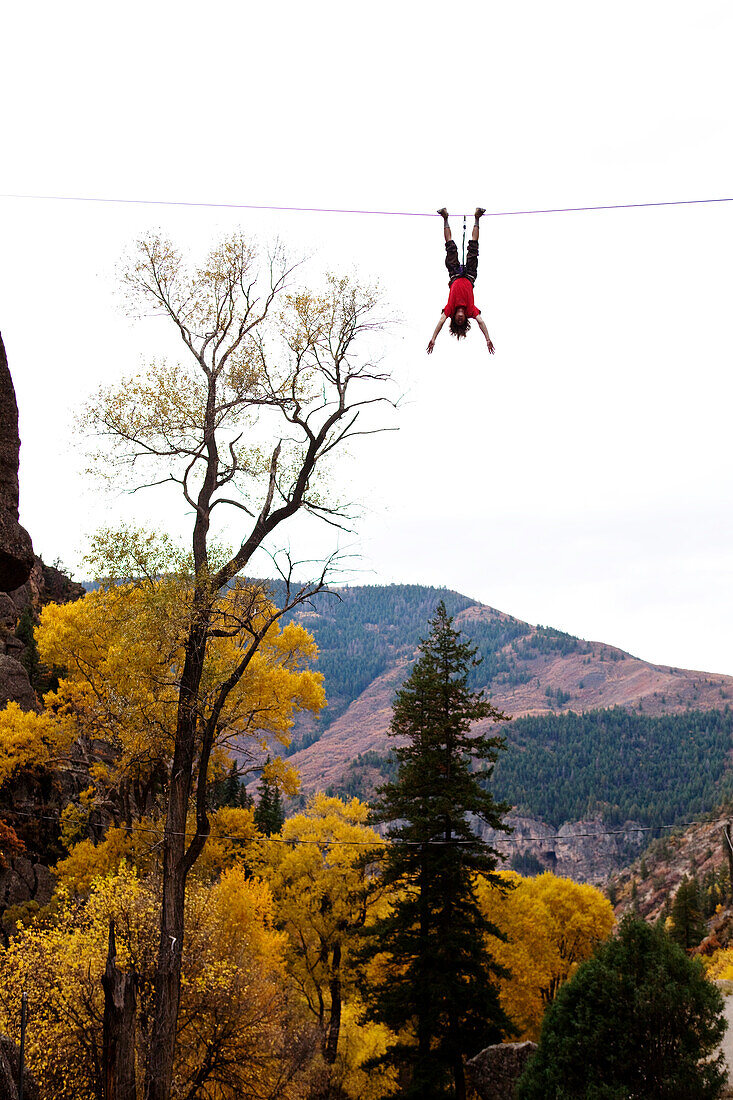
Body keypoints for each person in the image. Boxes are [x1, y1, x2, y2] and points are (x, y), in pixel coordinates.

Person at [426, 207, 495, 355]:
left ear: (454, 318)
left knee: (451, 248)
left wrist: (433, 339)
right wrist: (488, 339)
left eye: (457, 320)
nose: (460, 318)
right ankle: (477, 217)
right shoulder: (471, 311)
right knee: (473, 249)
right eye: (461, 321)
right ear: (465, 319)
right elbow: (481, 322)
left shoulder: (450, 309)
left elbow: (440, 322)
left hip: (455, 275)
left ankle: (445, 218)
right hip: (470, 275)